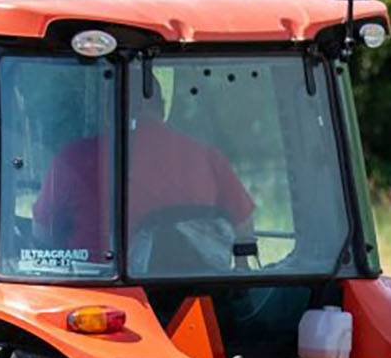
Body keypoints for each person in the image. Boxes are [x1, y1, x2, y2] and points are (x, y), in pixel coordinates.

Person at [33, 75, 254, 269]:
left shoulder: (74, 158)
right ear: (162, 107)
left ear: (111, 108)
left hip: (98, 293)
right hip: (199, 294)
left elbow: (42, 233)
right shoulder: (208, 157)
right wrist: (241, 271)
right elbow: (244, 227)